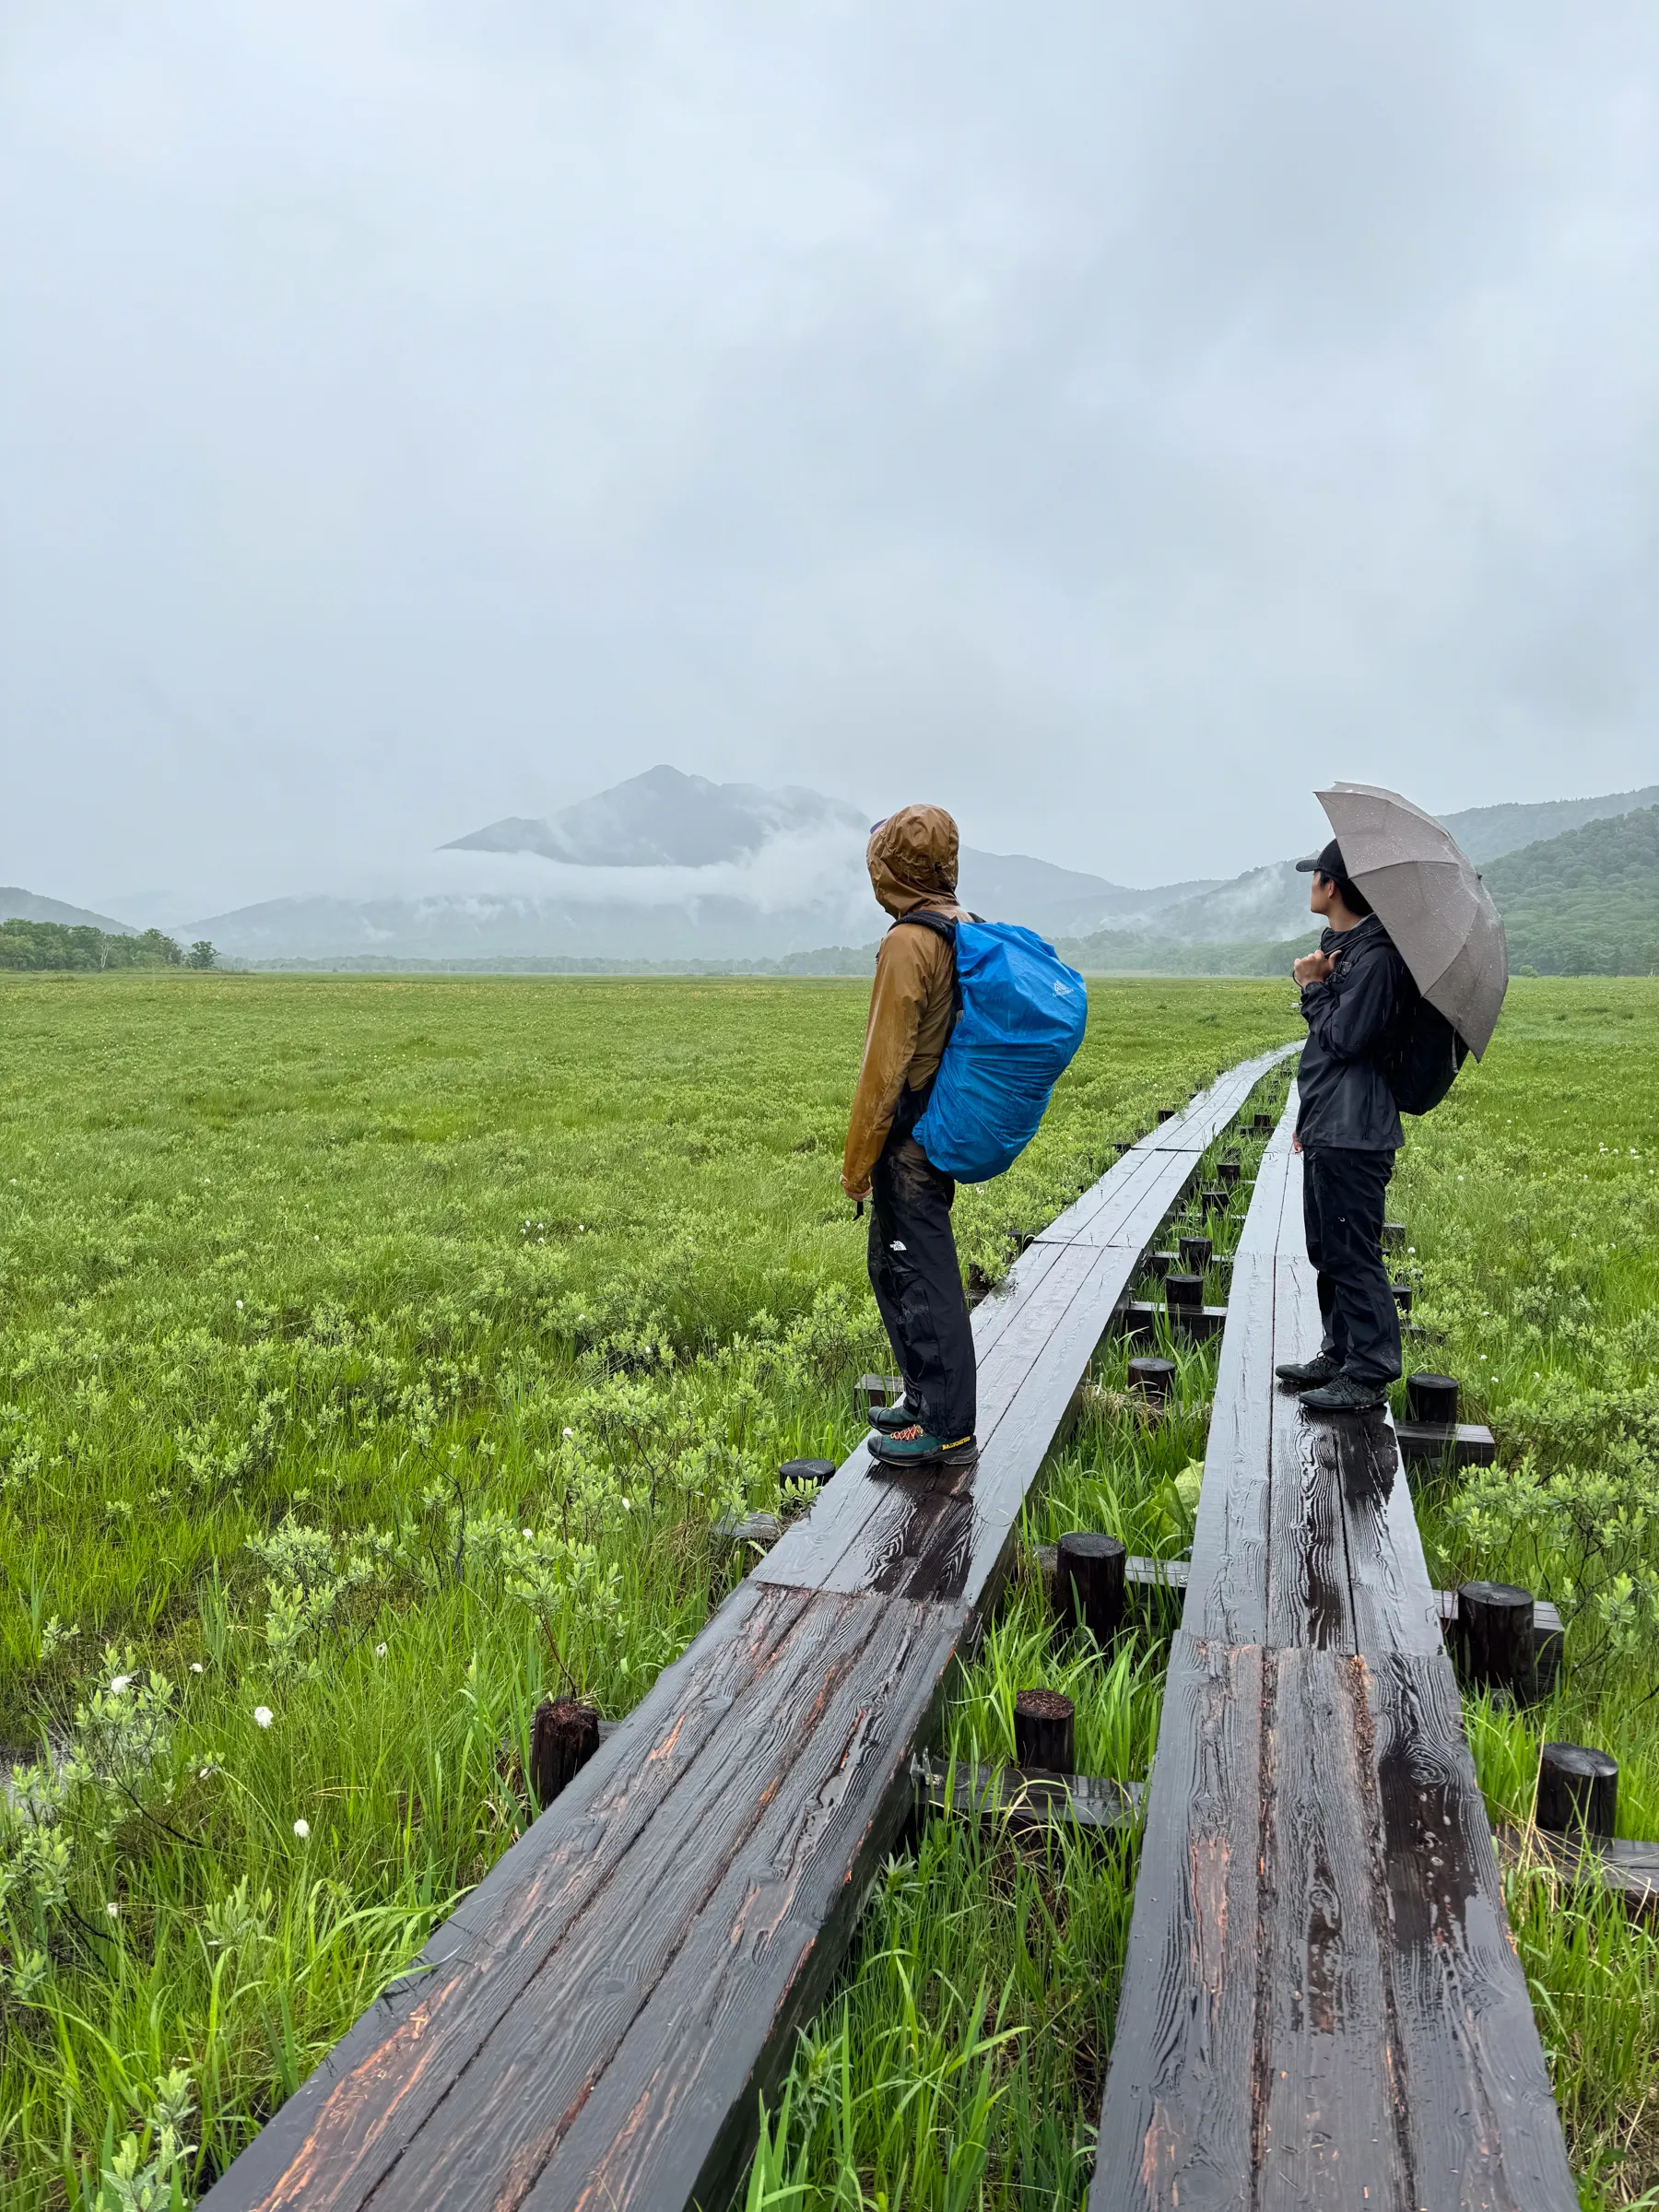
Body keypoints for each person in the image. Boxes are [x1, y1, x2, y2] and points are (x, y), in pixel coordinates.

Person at [841, 806, 978, 1468]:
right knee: (898, 1266)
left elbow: (884, 1064)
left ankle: (947, 1429)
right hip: (937, 1123)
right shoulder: (959, 926)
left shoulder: (907, 942)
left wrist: (857, 1161)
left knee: (921, 1276)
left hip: (909, 1138)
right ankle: (924, 1400)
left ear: (892, 869)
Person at [1275, 836, 1415, 1415]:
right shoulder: (1347, 950)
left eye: (1315, 876)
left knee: (1353, 1249)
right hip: (1333, 1122)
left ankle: (1370, 1370)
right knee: (1326, 1245)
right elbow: (1327, 1056)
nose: (1310, 884)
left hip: (1357, 1131)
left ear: (1332, 885)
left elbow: (1344, 1039)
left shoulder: (1376, 958)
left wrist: (1311, 987)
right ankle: (1339, 1352)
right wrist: (1310, 1119)